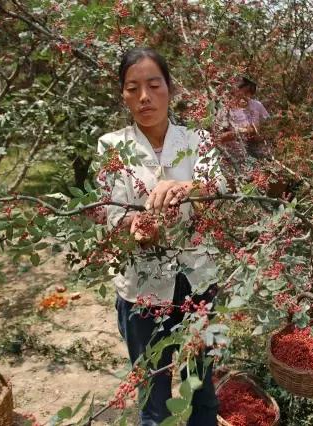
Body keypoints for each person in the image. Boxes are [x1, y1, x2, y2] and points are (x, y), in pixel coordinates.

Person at [97, 47, 222, 426]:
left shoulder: (196, 139)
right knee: (152, 387)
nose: (144, 97)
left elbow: (218, 187)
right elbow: (108, 212)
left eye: (154, 85)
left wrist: (187, 187)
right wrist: (132, 230)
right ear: (123, 95)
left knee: (200, 382)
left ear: (170, 88)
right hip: (142, 286)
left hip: (198, 279)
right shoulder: (110, 146)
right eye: (133, 88)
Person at [215, 76, 271, 167]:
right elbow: (219, 137)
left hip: (258, 152)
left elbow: (269, 127)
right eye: (244, 92)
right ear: (236, 90)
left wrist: (260, 133)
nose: (247, 96)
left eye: (250, 93)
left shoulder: (257, 105)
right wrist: (241, 131)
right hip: (236, 157)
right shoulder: (225, 110)